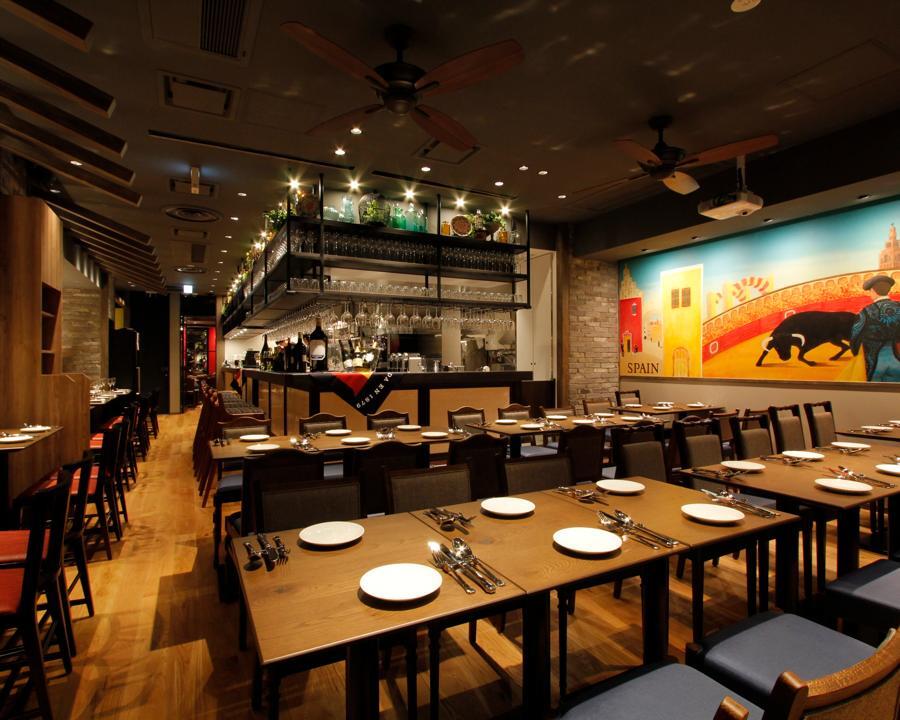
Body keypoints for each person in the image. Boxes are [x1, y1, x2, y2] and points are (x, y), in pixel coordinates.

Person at [849, 274, 900, 381]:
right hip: (898, 360)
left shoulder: (865, 311)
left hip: (875, 362)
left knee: (876, 389)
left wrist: (855, 351)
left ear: (873, 290)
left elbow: (855, 336)